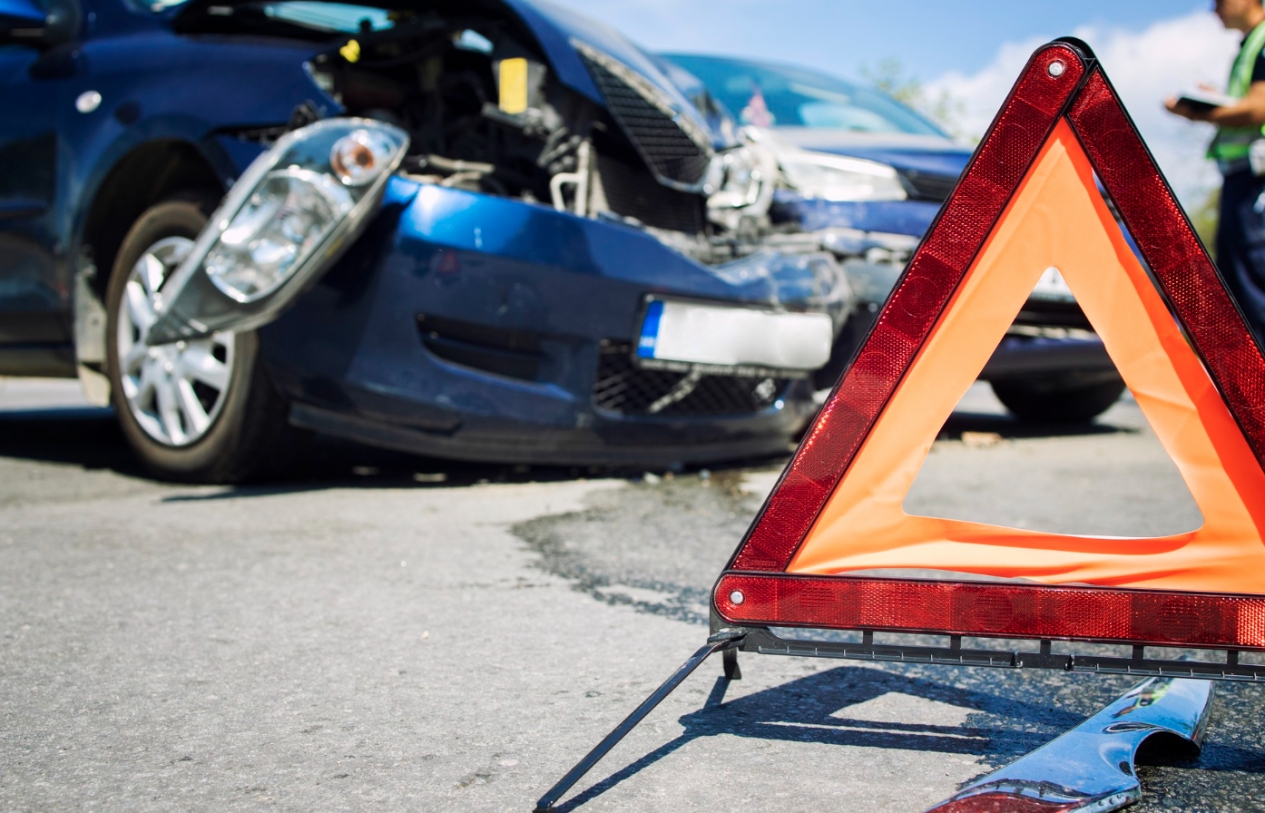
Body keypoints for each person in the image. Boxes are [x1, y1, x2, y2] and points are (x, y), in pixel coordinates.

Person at [1167, 0, 1265, 345]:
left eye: (1219, 1)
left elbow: (1257, 109)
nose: (1214, 10)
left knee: (1252, 286)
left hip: (1256, 184)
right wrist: (1219, 101)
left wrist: (1199, 112)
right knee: (1242, 284)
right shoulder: (1252, 44)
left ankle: (1255, 391)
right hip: (1246, 180)